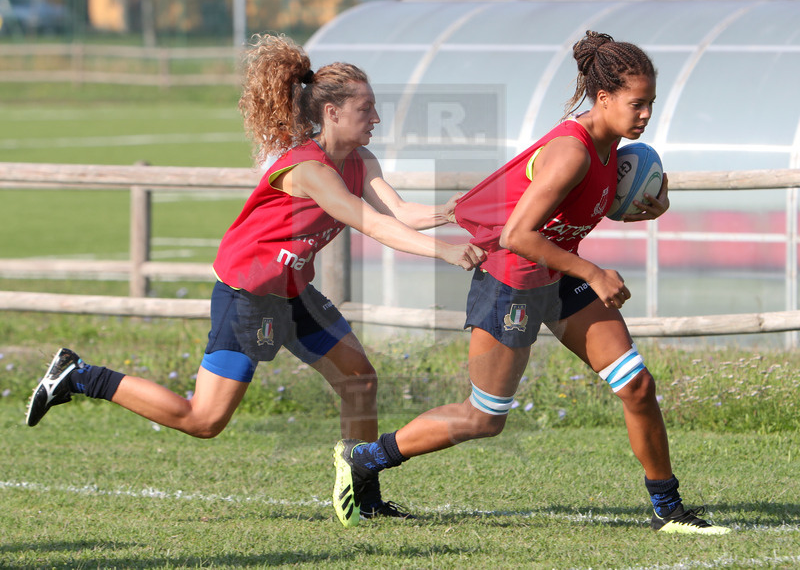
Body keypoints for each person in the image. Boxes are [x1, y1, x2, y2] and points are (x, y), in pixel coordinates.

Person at [25, 33, 485, 520]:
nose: (376, 118)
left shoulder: (360, 160)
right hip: (246, 297)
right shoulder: (308, 170)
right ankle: (79, 376)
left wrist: (449, 212)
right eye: (366, 109)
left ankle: (363, 501)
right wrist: (447, 253)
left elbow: (398, 212)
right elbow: (369, 222)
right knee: (202, 420)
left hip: (293, 295)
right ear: (332, 113)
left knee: (360, 381)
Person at [331, 31, 730, 535]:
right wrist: (592, 271)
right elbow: (518, 235)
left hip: (557, 272)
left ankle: (669, 509)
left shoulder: (616, 150)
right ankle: (366, 458)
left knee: (637, 386)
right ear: (603, 98)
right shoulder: (572, 150)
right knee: (484, 417)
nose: (647, 113)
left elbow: (580, 209)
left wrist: (651, 206)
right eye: (638, 103)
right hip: (510, 278)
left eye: (651, 102)